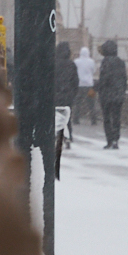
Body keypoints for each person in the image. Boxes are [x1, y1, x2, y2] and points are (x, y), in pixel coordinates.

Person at [50, 37, 82, 167]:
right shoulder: (71, 65)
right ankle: (68, 136)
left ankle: (57, 136)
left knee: (55, 115)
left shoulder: (53, 63)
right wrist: (73, 93)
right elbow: (75, 81)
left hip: (55, 94)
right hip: (68, 95)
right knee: (67, 116)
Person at [95, 38, 128, 148]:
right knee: (116, 118)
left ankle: (109, 139)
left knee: (107, 118)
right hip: (118, 94)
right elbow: (124, 79)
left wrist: (97, 89)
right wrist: (122, 91)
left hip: (107, 95)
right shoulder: (121, 62)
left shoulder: (105, 62)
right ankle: (116, 139)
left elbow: (104, 79)